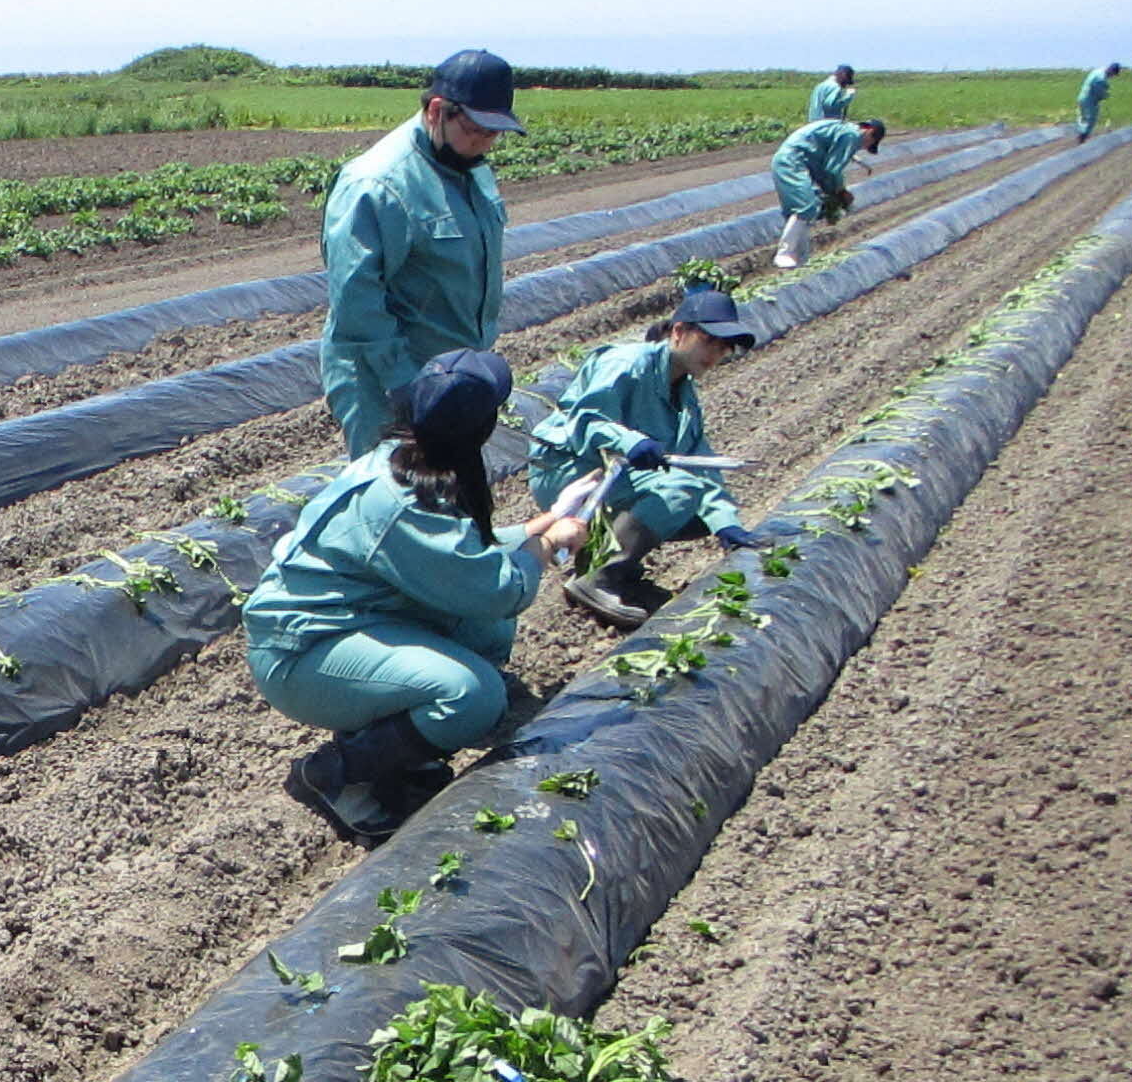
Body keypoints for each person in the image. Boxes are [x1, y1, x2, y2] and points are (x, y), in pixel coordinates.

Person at [244, 350, 588, 847]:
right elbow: (497, 588)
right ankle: (337, 775)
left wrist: (548, 518)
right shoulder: (399, 498)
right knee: (472, 694)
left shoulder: (405, 460)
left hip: (348, 627)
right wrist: (551, 544)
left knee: (483, 632)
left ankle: (403, 752)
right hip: (301, 655)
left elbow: (461, 559)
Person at [319, 49, 525, 458]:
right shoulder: (376, 184)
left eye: (494, 133)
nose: (485, 143)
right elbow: (356, 302)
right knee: (403, 501)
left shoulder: (471, 167)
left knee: (454, 500)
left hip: (453, 374)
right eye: (476, 130)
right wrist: (408, 387)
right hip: (389, 380)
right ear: (437, 111)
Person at [532, 290, 770, 630]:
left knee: (701, 510)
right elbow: (587, 421)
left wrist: (726, 523)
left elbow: (700, 461)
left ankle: (609, 563)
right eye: (708, 341)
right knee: (679, 489)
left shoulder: (684, 396)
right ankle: (600, 578)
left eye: (724, 348)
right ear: (678, 332)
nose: (715, 354)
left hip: (611, 475)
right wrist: (631, 441)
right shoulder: (626, 363)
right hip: (568, 469)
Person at [771, 115, 885, 268]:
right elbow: (832, 170)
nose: (863, 147)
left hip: (798, 161)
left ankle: (800, 256)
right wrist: (840, 192)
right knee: (806, 207)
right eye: (868, 143)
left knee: (807, 210)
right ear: (869, 131)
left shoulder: (844, 130)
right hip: (792, 161)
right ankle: (784, 253)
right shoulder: (851, 135)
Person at [1076, 62, 1121, 143]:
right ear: (1111, 71)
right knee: (1091, 118)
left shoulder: (1097, 71)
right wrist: (1106, 95)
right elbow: (1099, 92)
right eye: (1113, 74)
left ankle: (1081, 133)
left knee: (1082, 117)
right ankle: (1083, 135)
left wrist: (1105, 86)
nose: (1112, 76)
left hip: (1082, 96)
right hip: (1089, 100)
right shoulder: (1101, 78)